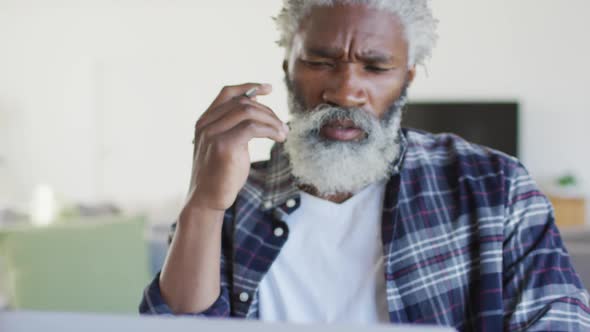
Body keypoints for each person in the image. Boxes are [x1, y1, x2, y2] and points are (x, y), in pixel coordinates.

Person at [140, 0, 590, 330]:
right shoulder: (236, 192)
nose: (345, 91)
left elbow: (561, 321)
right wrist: (203, 203)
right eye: (319, 61)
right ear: (287, 66)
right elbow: (175, 325)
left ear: (408, 76)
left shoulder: (495, 188)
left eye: (375, 67)